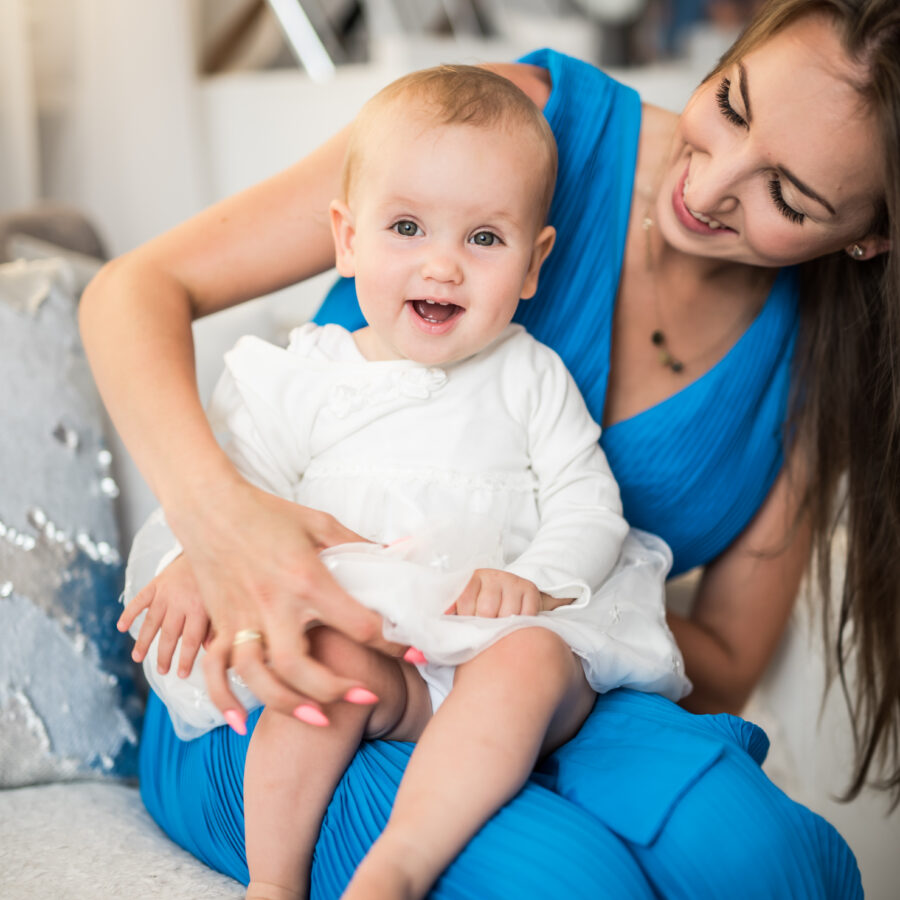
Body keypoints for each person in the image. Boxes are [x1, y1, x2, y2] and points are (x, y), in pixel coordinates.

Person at [79, 0, 899, 895]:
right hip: (315, 669)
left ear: (871, 233)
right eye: (733, 105)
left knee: (769, 861)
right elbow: (136, 291)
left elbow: (727, 659)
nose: (705, 190)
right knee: (572, 880)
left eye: (787, 194)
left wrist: (534, 638)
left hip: (544, 687)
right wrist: (219, 527)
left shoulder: (815, 363)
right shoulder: (496, 129)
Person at [117, 66, 688, 900]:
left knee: (533, 660)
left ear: (535, 263)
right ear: (346, 240)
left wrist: (532, 581)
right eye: (408, 227)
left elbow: (586, 501)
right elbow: (236, 497)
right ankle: (274, 883)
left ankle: (397, 867)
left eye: (484, 239)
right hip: (375, 650)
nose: (444, 266)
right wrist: (195, 557)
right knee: (321, 669)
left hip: (484, 650)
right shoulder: (302, 378)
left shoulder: (532, 377)